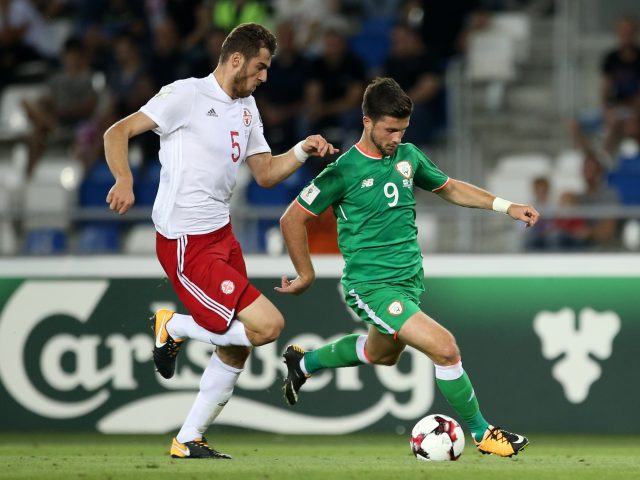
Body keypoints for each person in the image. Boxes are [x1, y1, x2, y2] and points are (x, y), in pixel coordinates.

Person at [103, 22, 337, 459]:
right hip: (185, 240)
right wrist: (124, 178)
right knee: (267, 326)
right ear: (236, 59)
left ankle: (188, 438)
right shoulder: (185, 95)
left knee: (235, 348)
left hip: (222, 234)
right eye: (261, 67)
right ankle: (172, 326)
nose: (265, 77)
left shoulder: (247, 109)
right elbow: (115, 132)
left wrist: (303, 150)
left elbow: (265, 174)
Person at [276, 77, 539, 458]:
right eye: (389, 129)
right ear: (367, 121)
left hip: (408, 282)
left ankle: (304, 363)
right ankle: (483, 433)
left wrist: (506, 206)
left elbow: (449, 187)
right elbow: (291, 219)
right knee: (445, 349)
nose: (396, 137)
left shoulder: (408, 156)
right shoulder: (342, 170)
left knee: (383, 354)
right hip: (371, 286)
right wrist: (306, 274)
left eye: (402, 129)